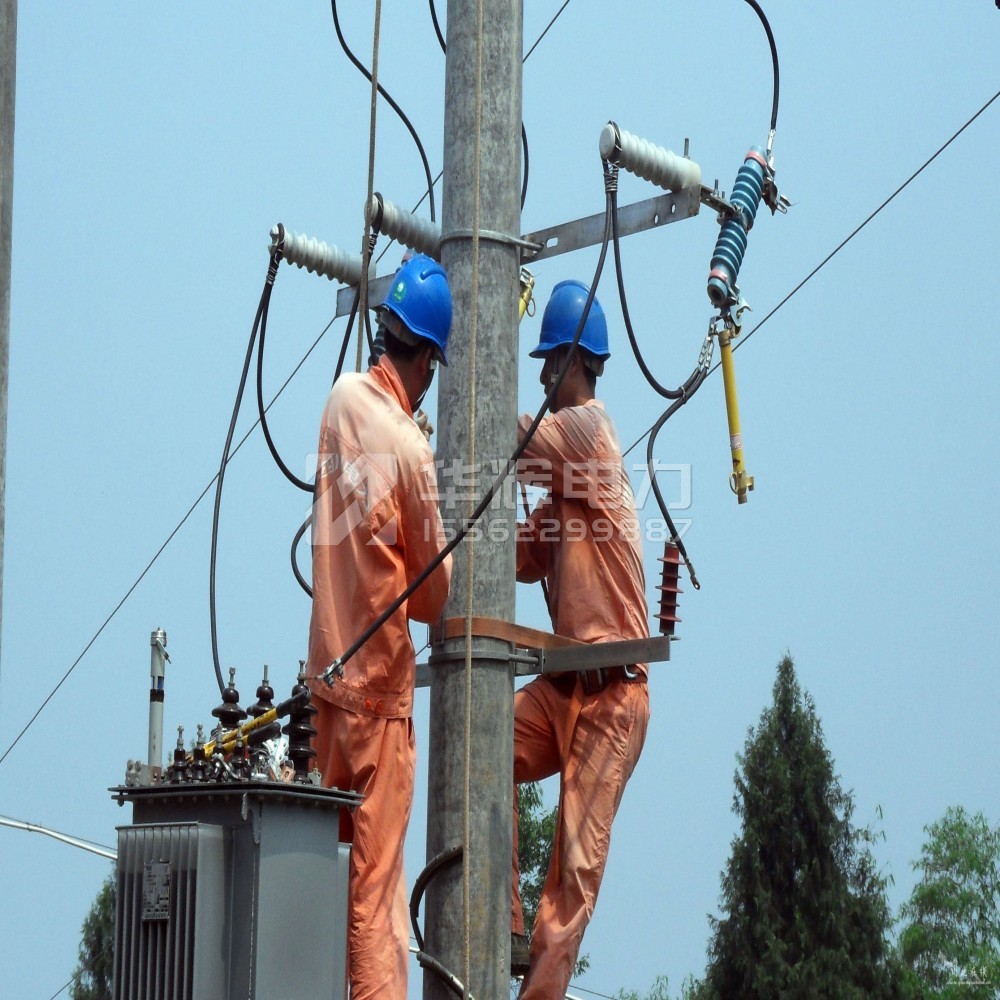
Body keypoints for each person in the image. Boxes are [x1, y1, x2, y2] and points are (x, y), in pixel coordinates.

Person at [307, 253, 453, 1000]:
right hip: (378, 703)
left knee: (322, 878)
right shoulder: (412, 448)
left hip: (326, 691)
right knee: (375, 900)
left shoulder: (338, 402)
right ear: (426, 356)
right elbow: (433, 597)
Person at [511, 280, 651, 997]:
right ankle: (501, 922)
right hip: (566, 688)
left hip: (611, 698)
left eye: (547, 362)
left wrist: (466, 364)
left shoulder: (590, 432)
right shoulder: (564, 491)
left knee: (570, 883)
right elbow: (512, 555)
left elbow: (510, 438)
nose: (540, 377)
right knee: (482, 743)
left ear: (574, 360)